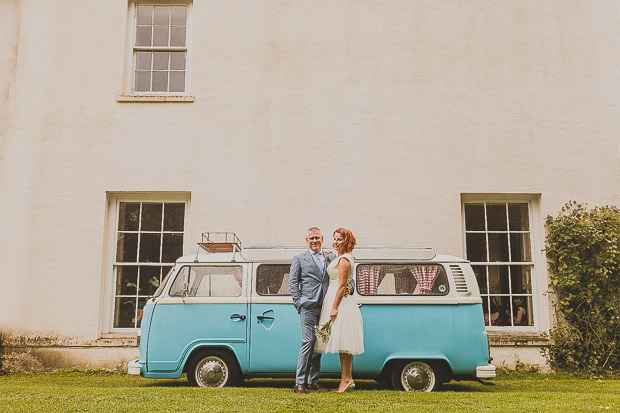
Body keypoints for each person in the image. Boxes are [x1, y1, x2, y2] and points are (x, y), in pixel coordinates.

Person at [288, 227, 353, 394]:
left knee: (319, 343)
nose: (315, 241)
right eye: (311, 239)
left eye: (317, 238)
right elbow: (293, 283)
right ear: (307, 240)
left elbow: (345, 277)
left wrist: (350, 288)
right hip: (308, 307)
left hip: (326, 305)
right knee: (308, 341)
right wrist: (299, 303)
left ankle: (313, 380)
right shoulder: (299, 259)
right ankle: (300, 382)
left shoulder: (331, 256)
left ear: (322, 239)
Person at [315, 228, 364, 393]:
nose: (335, 242)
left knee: (344, 343)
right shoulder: (339, 257)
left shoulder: (344, 260)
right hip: (337, 298)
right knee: (344, 343)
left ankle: (346, 380)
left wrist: (334, 308)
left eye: (339, 240)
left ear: (346, 241)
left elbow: (342, 285)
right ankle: (347, 379)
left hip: (339, 301)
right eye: (334, 239)